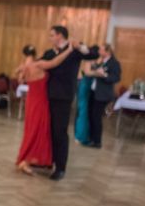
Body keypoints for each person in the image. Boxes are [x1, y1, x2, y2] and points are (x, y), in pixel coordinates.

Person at [41, 26, 99, 181]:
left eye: (52, 35)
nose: (50, 38)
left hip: (63, 96)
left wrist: (79, 46)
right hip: (48, 95)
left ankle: (60, 168)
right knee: (49, 130)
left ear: (60, 36)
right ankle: (49, 160)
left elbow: (94, 53)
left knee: (59, 132)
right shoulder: (49, 53)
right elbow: (40, 64)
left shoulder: (74, 50)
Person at [15, 44, 73, 175]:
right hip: (40, 102)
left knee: (31, 130)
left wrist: (21, 71)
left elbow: (20, 80)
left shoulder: (24, 67)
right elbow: (55, 62)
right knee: (38, 131)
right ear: (35, 53)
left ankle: (28, 159)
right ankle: (26, 161)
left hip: (31, 101)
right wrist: (68, 51)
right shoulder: (38, 64)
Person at [85, 44, 121, 148]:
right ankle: (91, 138)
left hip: (103, 94)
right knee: (91, 115)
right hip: (94, 91)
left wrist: (104, 75)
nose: (99, 51)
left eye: (101, 50)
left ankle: (97, 141)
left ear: (107, 52)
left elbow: (116, 78)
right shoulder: (102, 61)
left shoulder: (114, 63)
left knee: (96, 117)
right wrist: (94, 67)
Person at [74, 53, 97, 146]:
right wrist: (98, 73)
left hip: (88, 86)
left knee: (85, 111)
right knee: (83, 111)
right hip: (84, 85)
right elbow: (87, 72)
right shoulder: (88, 60)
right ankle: (80, 136)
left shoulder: (94, 61)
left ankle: (83, 135)